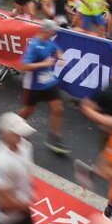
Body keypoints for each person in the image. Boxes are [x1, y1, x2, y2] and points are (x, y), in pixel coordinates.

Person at [18, 20, 70, 155]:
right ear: (45, 31)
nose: (54, 34)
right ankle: (15, 128)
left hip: (48, 82)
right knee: (29, 109)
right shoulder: (34, 45)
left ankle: (54, 138)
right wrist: (44, 63)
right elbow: (24, 66)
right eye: (52, 32)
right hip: (33, 84)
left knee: (58, 109)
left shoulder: (49, 41)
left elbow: (56, 49)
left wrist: (61, 58)